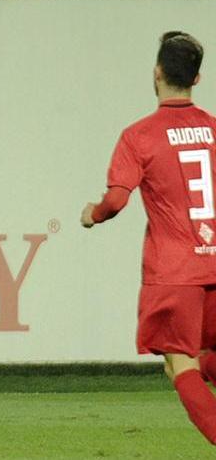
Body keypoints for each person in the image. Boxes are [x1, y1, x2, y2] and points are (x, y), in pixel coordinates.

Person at [82, 31, 216, 445]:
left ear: (157, 73)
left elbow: (116, 200)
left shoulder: (140, 136)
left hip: (175, 271)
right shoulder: (214, 129)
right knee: (205, 359)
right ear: (196, 79)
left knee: (180, 366)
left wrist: (93, 214)